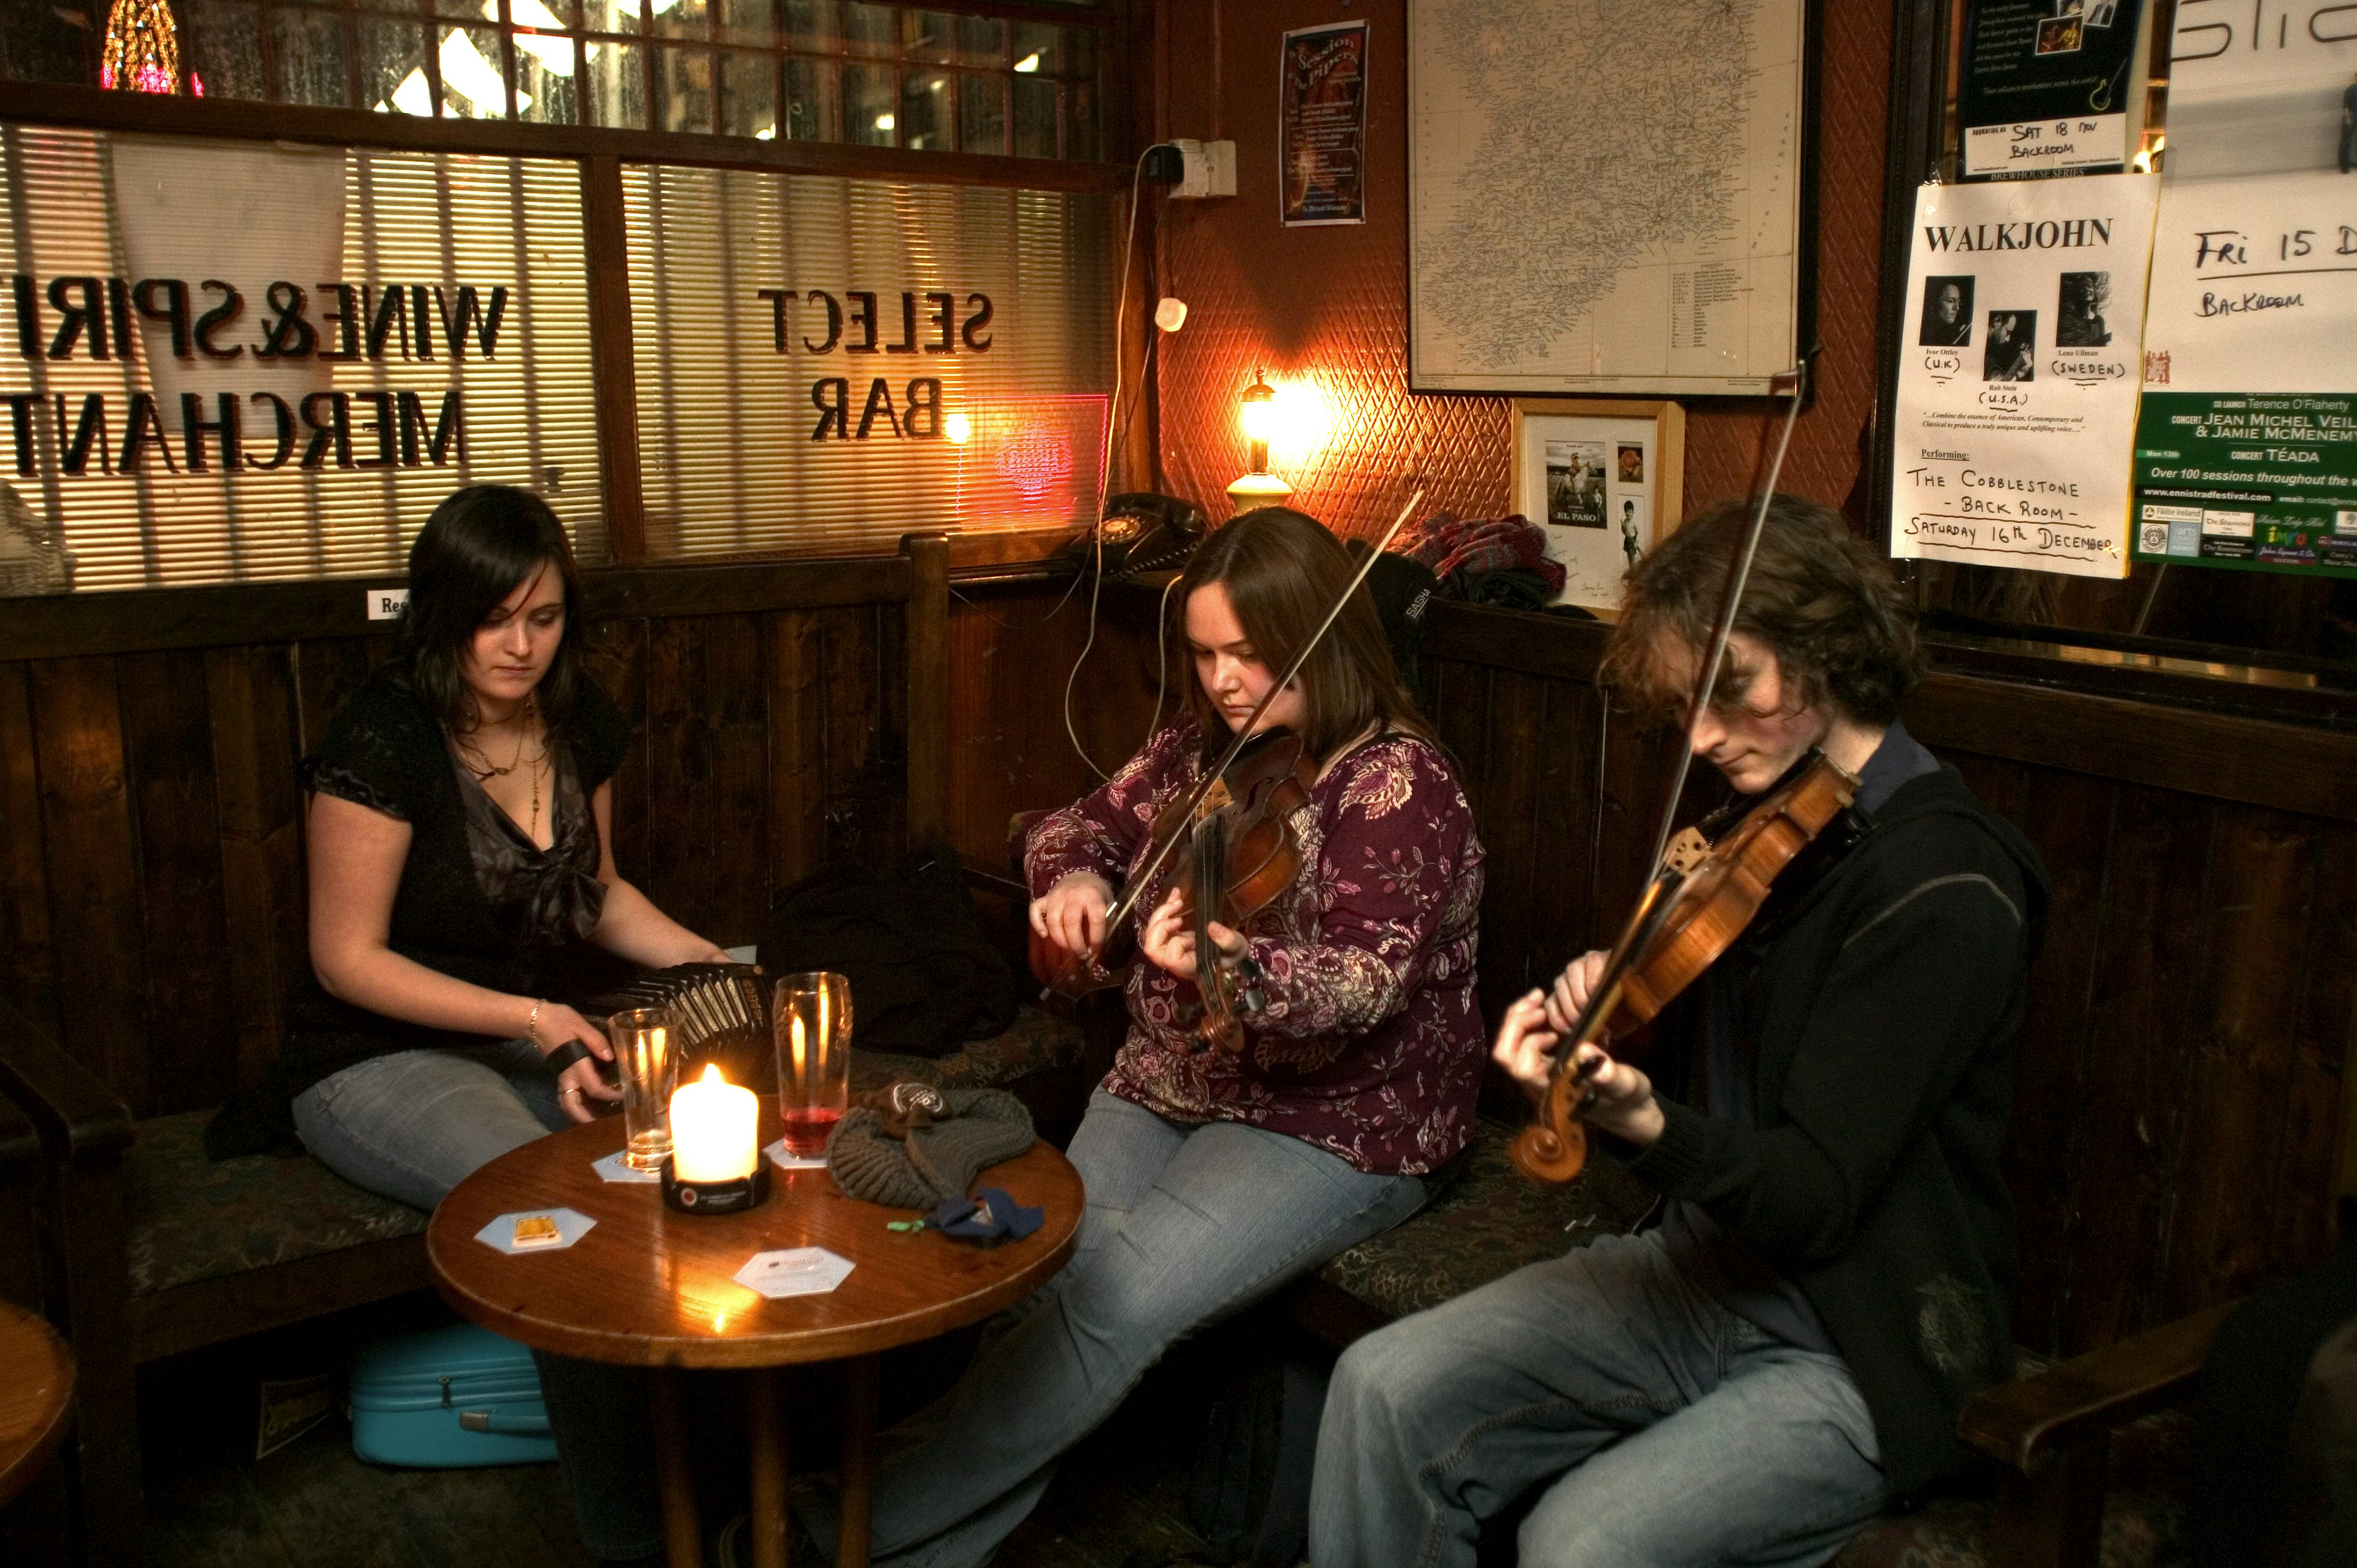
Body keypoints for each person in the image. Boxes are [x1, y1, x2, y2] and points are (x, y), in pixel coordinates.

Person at [1310, 493, 2048, 1568]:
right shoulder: (1773, 825)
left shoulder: (1942, 884)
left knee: (1581, 1545)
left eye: (1732, 688)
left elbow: (1816, 1194)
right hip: (1700, 1274)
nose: (1701, 735)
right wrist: (1606, 1022)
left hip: (1852, 1341)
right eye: (1685, 701)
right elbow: (1729, 1056)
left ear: (1828, 645)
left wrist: (1650, 1123)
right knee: (1380, 1390)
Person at [794, 506, 1487, 1567]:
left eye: (1251, 656)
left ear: (1322, 637)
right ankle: (904, 1536)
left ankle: (848, 1530)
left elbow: (1364, 983)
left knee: (1109, 1308)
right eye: (1206, 656)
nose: (1224, 682)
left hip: (1332, 1122)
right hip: (1167, 1080)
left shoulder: (1399, 784)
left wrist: (1224, 967)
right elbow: (1076, 824)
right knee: (1033, 1276)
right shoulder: (1204, 751)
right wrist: (1071, 878)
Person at [288, 483, 730, 1563]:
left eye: (544, 618)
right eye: (496, 618)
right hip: (375, 1056)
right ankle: (640, 1541)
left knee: (686, 1157)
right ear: (444, 611)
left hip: (530, 1030)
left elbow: (598, 893)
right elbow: (344, 962)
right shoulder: (385, 733)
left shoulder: (576, 719)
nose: (521, 645)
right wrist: (536, 1017)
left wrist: (711, 961)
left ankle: (733, 1485)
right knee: (565, 1227)